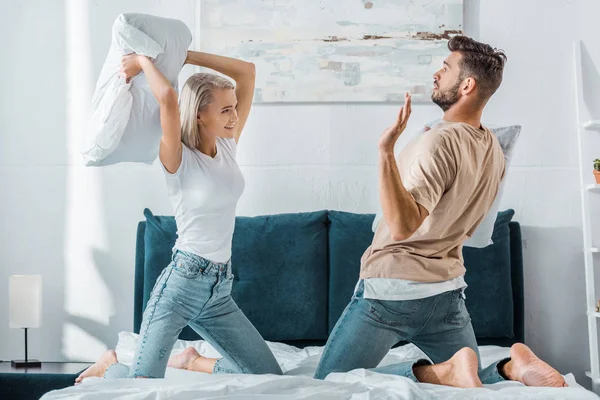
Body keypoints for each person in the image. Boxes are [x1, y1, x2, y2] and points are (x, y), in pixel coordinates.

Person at [308, 35, 567, 387]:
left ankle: (438, 373)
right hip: (446, 294)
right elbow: (477, 229)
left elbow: (402, 227)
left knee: (329, 382)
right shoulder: (491, 147)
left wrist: (385, 152)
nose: (436, 74)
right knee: (470, 374)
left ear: (467, 85)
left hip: (392, 292)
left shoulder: (438, 141)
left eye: (445, 69)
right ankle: (510, 369)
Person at [75, 49, 282, 382]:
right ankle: (109, 365)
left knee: (269, 375)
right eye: (225, 110)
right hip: (181, 285)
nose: (234, 116)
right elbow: (169, 99)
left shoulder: (227, 144)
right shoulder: (177, 157)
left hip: (219, 289)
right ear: (200, 115)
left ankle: (191, 361)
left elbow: (247, 72)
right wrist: (145, 62)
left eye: (234, 108)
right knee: (141, 385)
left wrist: (185, 55)